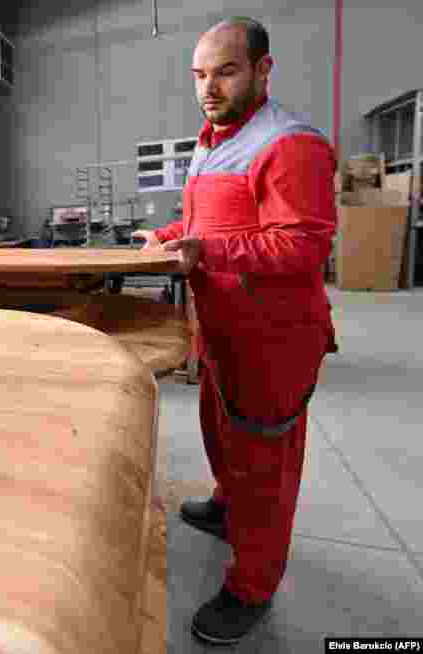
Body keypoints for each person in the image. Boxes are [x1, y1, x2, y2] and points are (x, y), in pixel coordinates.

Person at [133, 17, 339, 645]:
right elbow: (205, 221)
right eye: (200, 74)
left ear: (262, 70)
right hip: (222, 327)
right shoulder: (212, 139)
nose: (209, 87)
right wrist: (166, 237)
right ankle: (227, 509)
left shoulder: (290, 145)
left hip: (272, 339)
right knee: (223, 437)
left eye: (225, 71)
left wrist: (207, 255)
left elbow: (301, 246)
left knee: (265, 470)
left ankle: (253, 586)